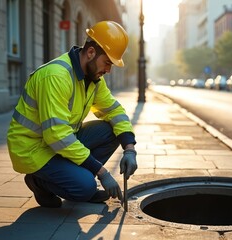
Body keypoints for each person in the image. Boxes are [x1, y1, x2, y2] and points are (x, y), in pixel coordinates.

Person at [7, 21, 137, 208]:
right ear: (91, 53)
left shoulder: (93, 80)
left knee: (111, 131)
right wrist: (102, 172)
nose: (108, 70)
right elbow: (56, 134)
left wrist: (130, 149)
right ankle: (39, 182)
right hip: (33, 149)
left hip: (58, 142)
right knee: (85, 187)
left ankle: (74, 179)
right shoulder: (56, 76)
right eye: (107, 62)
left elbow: (114, 111)